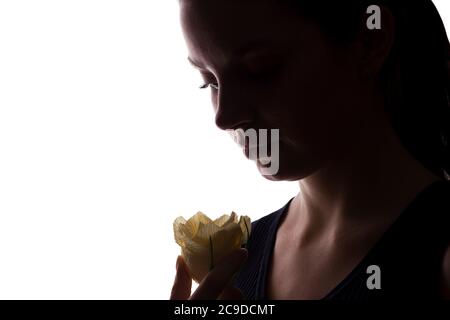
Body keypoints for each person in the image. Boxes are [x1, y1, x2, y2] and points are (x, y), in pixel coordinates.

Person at [170, 0, 450, 300]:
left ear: (371, 40)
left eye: (260, 70)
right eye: (208, 82)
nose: (224, 117)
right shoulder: (237, 261)